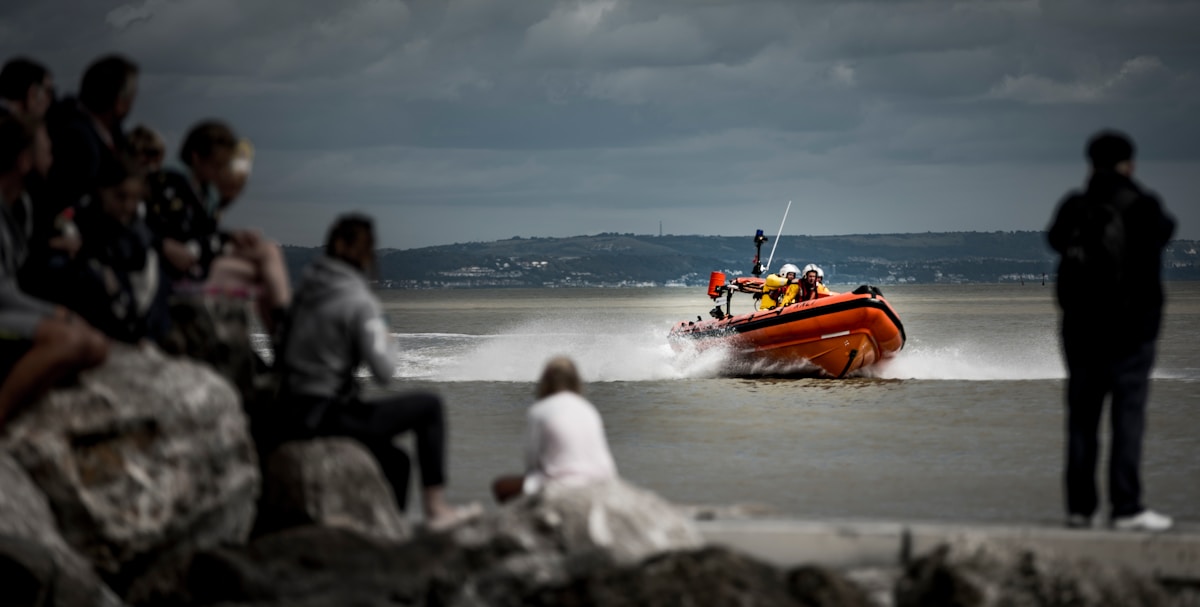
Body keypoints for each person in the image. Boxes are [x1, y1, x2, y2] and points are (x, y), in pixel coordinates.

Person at [272, 213, 471, 527]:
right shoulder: (358, 300)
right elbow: (385, 371)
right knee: (429, 407)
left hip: (288, 411)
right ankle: (436, 509)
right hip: (327, 415)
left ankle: (385, 526)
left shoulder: (306, 291)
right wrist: (385, 329)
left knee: (397, 460)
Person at [1047, 130, 1175, 531]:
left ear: (1090, 162)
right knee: (1127, 419)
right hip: (1130, 333)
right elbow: (1165, 230)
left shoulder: (1075, 205)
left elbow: (1054, 240)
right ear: (1129, 162)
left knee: (1082, 422)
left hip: (1080, 332)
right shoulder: (1142, 204)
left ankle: (1079, 509)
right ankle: (1126, 508)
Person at [0, 115, 108, 428]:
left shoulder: (22, 209)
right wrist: (56, 313)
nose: (52, 156)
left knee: (95, 345)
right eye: (45, 148)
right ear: (23, 160)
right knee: (67, 339)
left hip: (8, 310)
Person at [145, 121, 289, 331]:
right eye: (216, 165)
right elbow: (187, 239)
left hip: (202, 259)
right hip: (190, 268)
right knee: (264, 268)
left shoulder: (199, 189)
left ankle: (279, 333)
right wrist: (227, 239)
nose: (219, 172)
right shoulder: (174, 185)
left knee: (268, 254)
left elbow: (200, 234)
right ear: (196, 158)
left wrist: (231, 236)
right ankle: (282, 330)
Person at [68, 154, 170, 345]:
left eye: (135, 199)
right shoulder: (81, 222)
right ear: (101, 190)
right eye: (120, 196)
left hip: (132, 315)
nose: (128, 206)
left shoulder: (137, 233)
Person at [491, 356, 618, 504]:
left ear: (545, 382)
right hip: (605, 483)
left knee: (501, 486)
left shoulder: (540, 409)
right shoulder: (589, 409)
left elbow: (532, 462)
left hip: (564, 486)